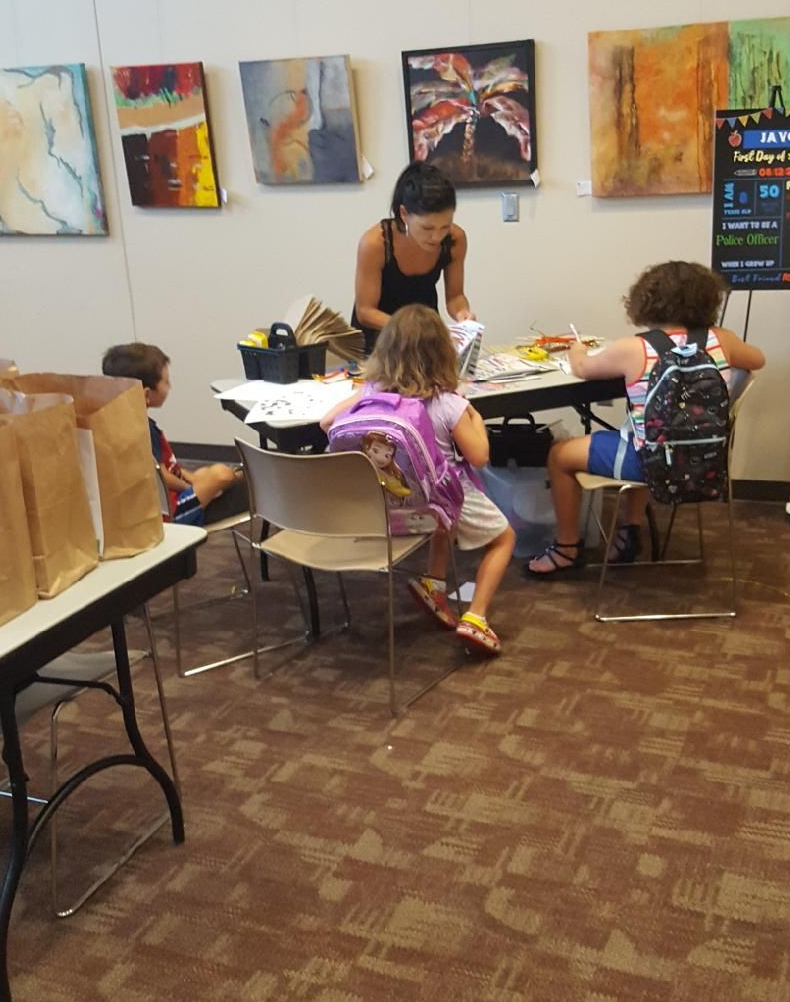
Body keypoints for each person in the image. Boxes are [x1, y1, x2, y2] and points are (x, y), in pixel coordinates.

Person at [527, 261, 766, 575]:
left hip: (648, 462)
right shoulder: (724, 340)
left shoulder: (633, 348)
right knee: (646, 434)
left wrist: (576, 349)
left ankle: (566, 548)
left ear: (647, 300)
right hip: (706, 462)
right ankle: (630, 529)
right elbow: (757, 360)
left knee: (559, 455)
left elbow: (583, 368)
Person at [321, 305, 515, 656]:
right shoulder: (447, 403)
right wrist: (477, 420)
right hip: (437, 503)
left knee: (443, 516)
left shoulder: (371, 393)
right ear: (443, 353)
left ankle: (434, 583)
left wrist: (365, 396)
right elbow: (479, 457)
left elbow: (327, 424)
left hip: (390, 506)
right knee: (503, 540)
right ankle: (477, 617)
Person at [102, 342, 243, 526]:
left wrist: (192, 480)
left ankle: (237, 477)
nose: (170, 387)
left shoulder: (116, 423)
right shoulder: (142, 428)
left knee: (204, 473)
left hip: (157, 502)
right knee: (221, 474)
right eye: (166, 382)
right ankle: (240, 478)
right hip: (170, 511)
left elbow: (163, 468)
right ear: (146, 394)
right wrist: (190, 488)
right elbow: (160, 476)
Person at [352, 162, 474, 354]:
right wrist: (414, 329)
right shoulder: (375, 244)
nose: (437, 237)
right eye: (427, 228)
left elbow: (455, 296)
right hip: (379, 342)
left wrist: (462, 314)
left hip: (426, 341)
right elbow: (365, 311)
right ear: (404, 214)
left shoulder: (455, 239)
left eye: (445, 226)